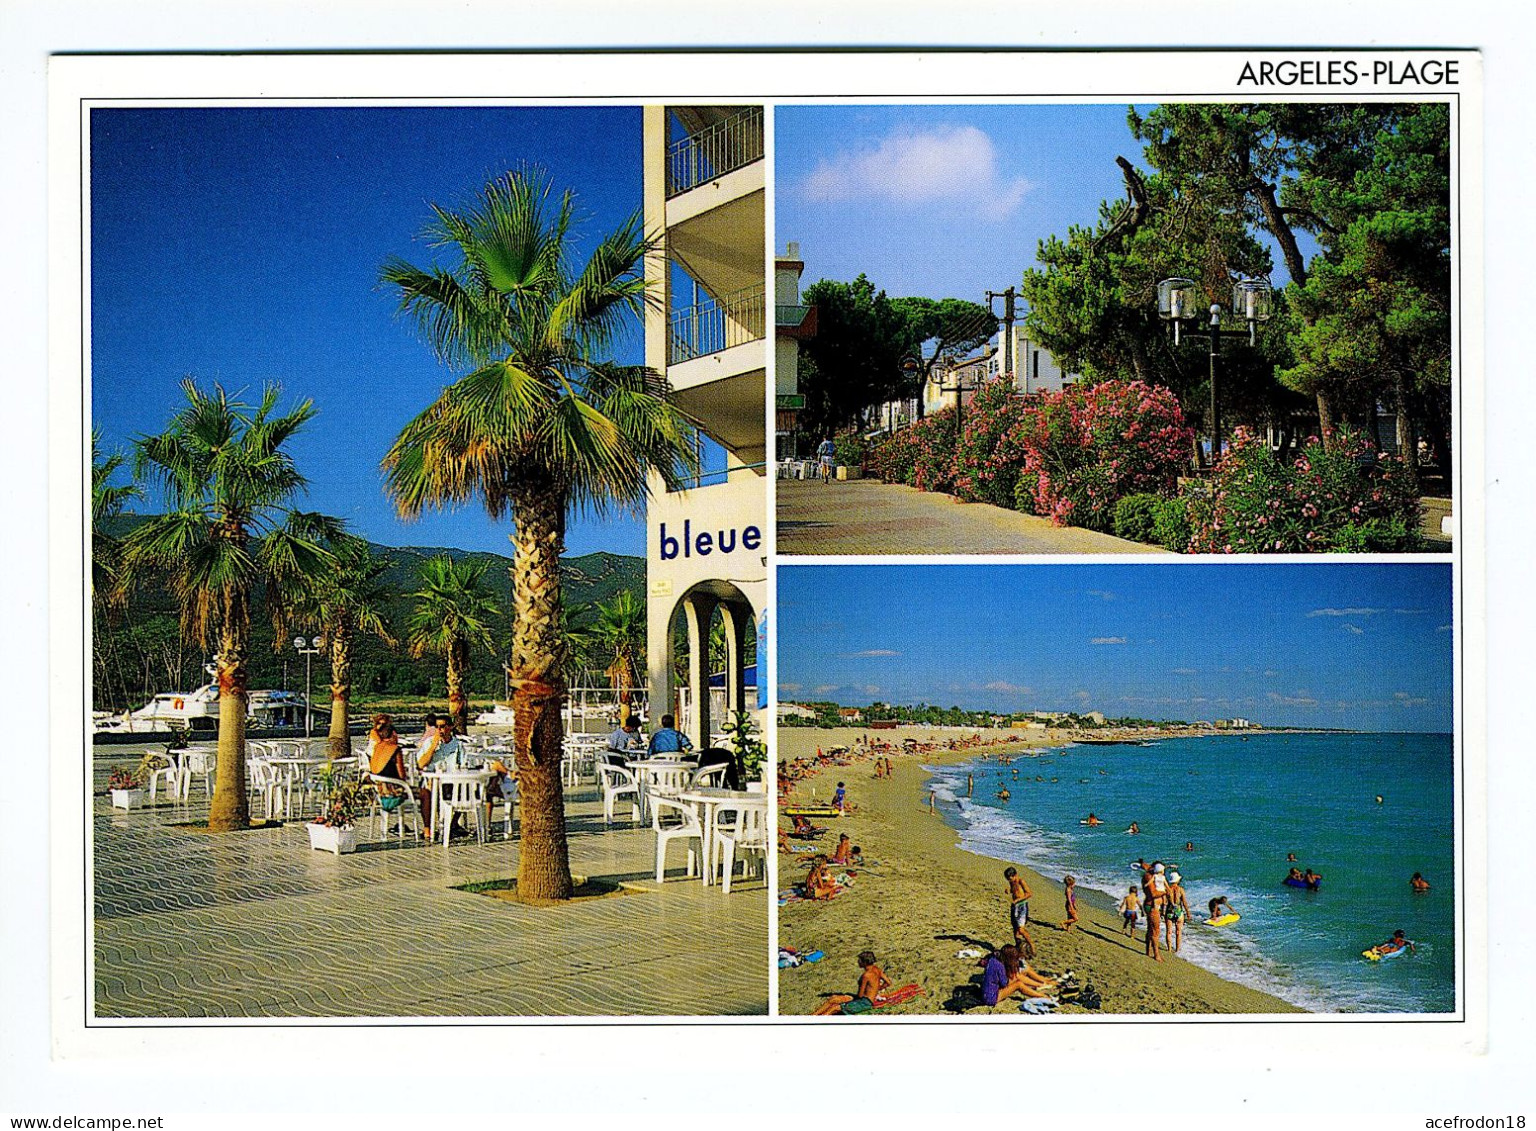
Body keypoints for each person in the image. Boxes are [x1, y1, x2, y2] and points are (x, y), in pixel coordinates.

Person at [812, 951, 892, 1015]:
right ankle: (812, 1016)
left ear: (864, 962)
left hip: (864, 1003)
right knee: (833, 998)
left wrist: (848, 999)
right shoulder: (877, 969)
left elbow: (860, 995)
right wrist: (877, 988)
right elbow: (888, 982)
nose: (858, 962)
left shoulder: (866, 975)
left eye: (859, 960)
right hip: (865, 999)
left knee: (835, 1008)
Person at [1005, 866, 1034, 954]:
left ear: (1015, 875)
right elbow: (1015, 891)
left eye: (1010, 879)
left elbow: (1029, 893)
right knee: (1015, 928)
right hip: (1014, 906)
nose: (1010, 881)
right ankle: (1018, 947)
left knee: (1021, 930)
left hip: (1022, 906)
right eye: (1008, 879)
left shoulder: (1021, 881)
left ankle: (1032, 945)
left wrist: (1018, 900)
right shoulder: (1011, 882)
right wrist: (1009, 890)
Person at [1142, 861, 1168, 961]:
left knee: (1150, 929)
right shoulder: (1149, 877)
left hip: (1153, 906)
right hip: (1152, 906)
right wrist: (1165, 892)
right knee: (1155, 931)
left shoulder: (1152, 876)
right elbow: (1153, 893)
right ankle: (1156, 954)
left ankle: (1148, 951)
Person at [1164, 870, 1189, 953]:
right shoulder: (1181, 890)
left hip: (1169, 911)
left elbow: (1164, 902)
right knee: (1178, 932)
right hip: (1178, 912)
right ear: (1178, 880)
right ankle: (1177, 950)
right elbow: (1184, 902)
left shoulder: (1167, 890)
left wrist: (1161, 911)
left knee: (1169, 932)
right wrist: (1188, 913)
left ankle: (1169, 949)